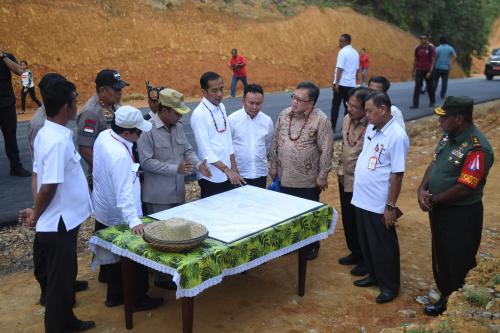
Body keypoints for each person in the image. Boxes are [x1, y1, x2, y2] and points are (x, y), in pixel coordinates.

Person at [19, 79, 95, 332]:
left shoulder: (49, 133)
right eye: (75, 101)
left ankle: (68, 321)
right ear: (66, 107)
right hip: (59, 223)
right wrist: (36, 214)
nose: (77, 106)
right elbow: (49, 185)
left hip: (64, 221)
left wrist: (35, 211)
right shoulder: (56, 141)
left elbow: (38, 174)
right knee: (58, 285)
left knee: (64, 279)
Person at [417, 96, 494, 316]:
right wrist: (422, 189)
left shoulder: (478, 148)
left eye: (444, 118)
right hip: (439, 208)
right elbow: (435, 163)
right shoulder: (448, 137)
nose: (439, 122)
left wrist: (434, 199)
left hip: (461, 214)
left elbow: (465, 188)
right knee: (441, 255)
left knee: (458, 258)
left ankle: (455, 305)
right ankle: (445, 295)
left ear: (459, 118)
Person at [91, 105, 163, 310]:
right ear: (127, 132)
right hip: (121, 214)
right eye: (138, 132)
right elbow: (124, 193)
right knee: (133, 257)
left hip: (104, 207)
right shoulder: (120, 155)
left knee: (112, 258)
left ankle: (114, 295)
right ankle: (137, 298)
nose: (141, 135)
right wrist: (134, 221)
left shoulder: (105, 135)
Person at [351, 91, 409, 304]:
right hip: (362, 198)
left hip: (379, 202)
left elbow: (397, 174)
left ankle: (389, 286)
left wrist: (390, 206)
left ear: (383, 109)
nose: (366, 115)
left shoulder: (396, 136)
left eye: (369, 111)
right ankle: (374, 275)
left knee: (383, 245)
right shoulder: (373, 128)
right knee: (367, 242)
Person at [270, 81, 334, 260]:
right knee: (288, 213)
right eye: (293, 97)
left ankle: (311, 246)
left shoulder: (321, 120)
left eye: (299, 99)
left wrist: (323, 176)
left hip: (307, 180)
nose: (294, 102)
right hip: (284, 176)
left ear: (311, 103)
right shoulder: (284, 114)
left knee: (308, 215)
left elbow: (327, 150)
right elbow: (275, 140)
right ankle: (292, 243)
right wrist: (273, 165)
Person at [138, 88, 211, 214]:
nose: (180, 116)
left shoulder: (179, 127)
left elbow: (187, 150)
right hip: (158, 198)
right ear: (165, 111)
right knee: (160, 232)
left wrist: (199, 165)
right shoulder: (147, 130)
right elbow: (146, 162)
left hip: (179, 194)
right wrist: (175, 168)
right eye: (177, 113)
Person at [191, 72, 245, 198]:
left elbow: (228, 141)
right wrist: (227, 170)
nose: (220, 94)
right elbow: (206, 152)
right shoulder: (199, 114)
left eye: (221, 89)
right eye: (214, 90)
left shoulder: (221, 106)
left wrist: (234, 168)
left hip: (228, 173)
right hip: (211, 177)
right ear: (204, 92)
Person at [337, 87, 371, 276]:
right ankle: (355, 252)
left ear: (366, 108)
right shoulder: (347, 119)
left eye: (355, 107)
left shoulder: (372, 126)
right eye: (349, 105)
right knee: (349, 218)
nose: (350, 109)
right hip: (345, 177)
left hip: (361, 182)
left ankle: (366, 258)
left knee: (362, 222)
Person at [76, 69, 128, 179]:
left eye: (121, 89)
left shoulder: (112, 104)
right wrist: (108, 172)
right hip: (105, 177)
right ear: (103, 90)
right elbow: (85, 151)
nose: (120, 92)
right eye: (116, 89)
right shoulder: (91, 113)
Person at [228, 83, 273, 188]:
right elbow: (227, 147)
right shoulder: (232, 120)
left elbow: (267, 145)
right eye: (251, 103)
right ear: (243, 101)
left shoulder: (267, 121)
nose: (254, 107)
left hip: (260, 174)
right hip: (238, 175)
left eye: (258, 103)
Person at [0, 50, 31, 177]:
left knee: (10, 136)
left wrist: (3, 57)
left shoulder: (7, 56)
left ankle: (16, 167)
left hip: (6, 103)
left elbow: (20, 71)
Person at [331, 33, 359, 129]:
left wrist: (337, 84)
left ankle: (332, 127)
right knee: (348, 107)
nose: (339, 43)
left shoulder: (342, 52)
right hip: (351, 85)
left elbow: (339, 69)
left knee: (335, 106)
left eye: (341, 41)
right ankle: (346, 127)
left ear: (347, 42)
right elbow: (357, 70)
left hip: (341, 84)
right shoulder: (355, 53)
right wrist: (355, 82)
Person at [411, 34, 436, 109]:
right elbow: (415, 60)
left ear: (427, 39)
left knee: (430, 87)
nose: (423, 40)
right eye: (421, 38)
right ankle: (415, 104)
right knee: (417, 86)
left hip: (428, 70)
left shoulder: (431, 48)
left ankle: (432, 102)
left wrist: (430, 72)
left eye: (424, 38)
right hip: (419, 70)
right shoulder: (417, 48)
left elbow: (433, 61)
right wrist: (413, 71)